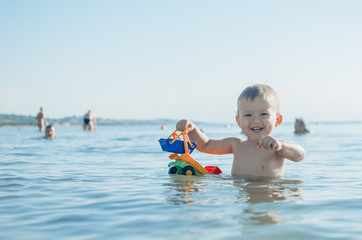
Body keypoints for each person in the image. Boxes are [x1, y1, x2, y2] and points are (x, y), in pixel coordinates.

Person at [176, 84, 305, 178]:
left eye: (263, 114)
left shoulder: (276, 147)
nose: (255, 120)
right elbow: (206, 145)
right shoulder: (236, 144)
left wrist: (281, 146)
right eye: (248, 115)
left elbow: (300, 155)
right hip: (241, 196)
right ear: (238, 121)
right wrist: (192, 129)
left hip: (267, 195)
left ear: (277, 120)